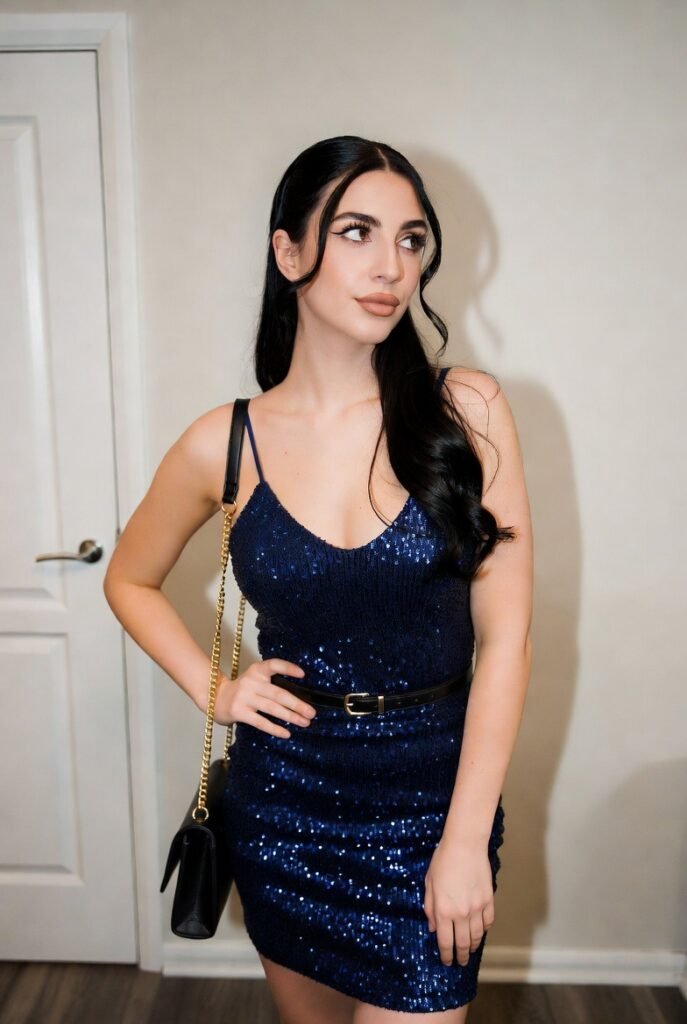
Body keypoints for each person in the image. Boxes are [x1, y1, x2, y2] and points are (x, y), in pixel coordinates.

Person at [104, 135, 533, 1024]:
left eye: (410, 240)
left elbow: (506, 641)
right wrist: (219, 690)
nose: (391, 266)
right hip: (284, 809)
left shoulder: (468, 410)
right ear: (288, 250)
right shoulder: (223, 443)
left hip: (430, 808)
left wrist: (463, 840)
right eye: (355, 232)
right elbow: (129, 580)